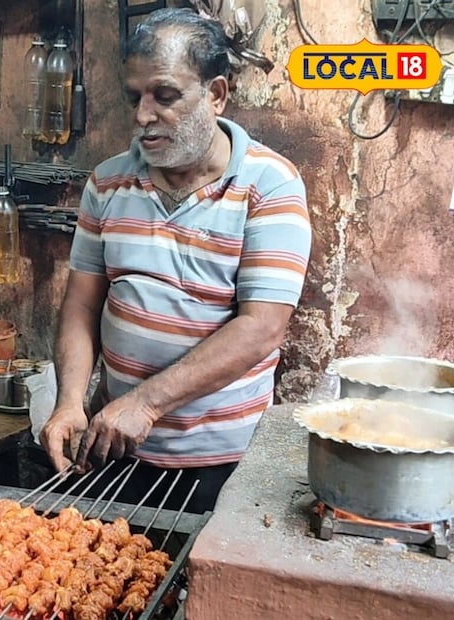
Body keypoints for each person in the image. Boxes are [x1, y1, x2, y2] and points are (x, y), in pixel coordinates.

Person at [40, 8, 312, 513]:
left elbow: (262, 328)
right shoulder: (106, 182)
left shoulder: (270, 185)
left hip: (224, 463)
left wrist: (146, 402)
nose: (143, 115)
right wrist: (70, 401)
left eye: (164, 96)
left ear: (215, 94)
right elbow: (80, 307)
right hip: (113, 449)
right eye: (134, 98)